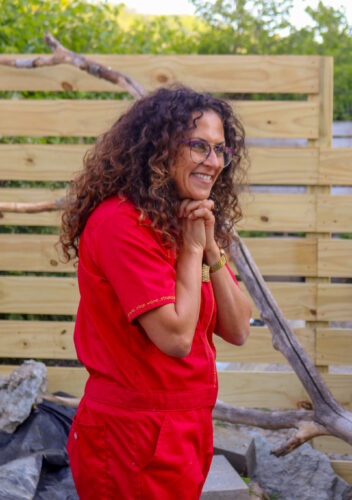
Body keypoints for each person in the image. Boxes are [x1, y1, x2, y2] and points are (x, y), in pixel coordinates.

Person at [59, 85, 252, 499]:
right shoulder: (121, 223)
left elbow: (238, 328)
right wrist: (193, 250)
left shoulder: (176, 220)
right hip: (133, 435)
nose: (213, 162)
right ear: (159, 148)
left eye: (221, 149)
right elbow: (176, 338)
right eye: (199, 146)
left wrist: (211, 247)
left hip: (183, 424)